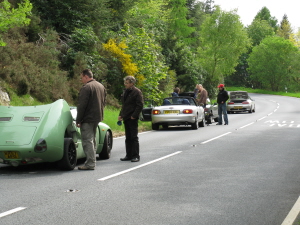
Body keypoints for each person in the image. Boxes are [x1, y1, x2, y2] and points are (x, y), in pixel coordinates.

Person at [76, 69, 106, 170]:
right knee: (93, 139)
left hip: (87, 117)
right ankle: (92, 161)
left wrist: (78, 119)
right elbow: (104, 102)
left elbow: (82, 105)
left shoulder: (86, 87)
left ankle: (90, 163)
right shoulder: (100, 86)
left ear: (85, 76)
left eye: (81, 78)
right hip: (97, 116)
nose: (81, 80)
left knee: (87, 140)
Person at [118, 76, 144, 162]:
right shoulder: (125, 92)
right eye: (125, 82)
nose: (125, 84)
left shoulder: (137, 92)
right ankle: (128, 155)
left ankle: (135, 155)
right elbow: (124, 105)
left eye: (127, 83)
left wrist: (134, 115)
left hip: (132, 117)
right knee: (128, 137)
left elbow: (140, 105)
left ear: (132, 83)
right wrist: (120, 115)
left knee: (134, 137)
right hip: (126, 117)